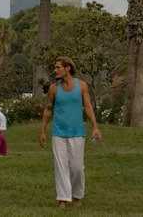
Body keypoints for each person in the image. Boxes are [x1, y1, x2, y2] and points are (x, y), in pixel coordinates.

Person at [39, 56, 102, 208]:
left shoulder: (82, 86)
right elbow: (48, 109)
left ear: (67, 68)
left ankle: (77, 195)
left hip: (77, 132)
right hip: (58, 133)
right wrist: (43, 131)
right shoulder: (54, 88)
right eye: (55, 67)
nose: (55, 70)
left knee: (77, 167)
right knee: (60, 166)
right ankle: (63, 198)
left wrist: (95, 126)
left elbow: (87, 106)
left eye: (58, 67)